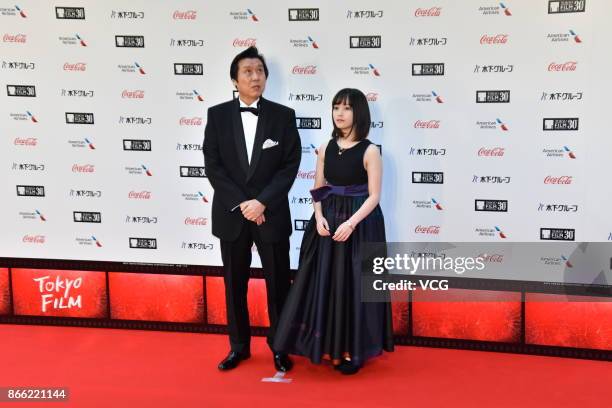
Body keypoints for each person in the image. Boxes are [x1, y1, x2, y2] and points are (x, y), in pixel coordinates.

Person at [273, 88, 394, 375]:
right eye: (336, 107)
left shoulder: (370, 150)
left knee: (354, 287)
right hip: (327, 223)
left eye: (347, 108)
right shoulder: (326, 147)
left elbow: (374, 196)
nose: (339, 113)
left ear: (359, 113)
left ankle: (354, 350)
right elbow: (319, 187)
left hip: (361, 225)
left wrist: (351, 223)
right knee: (326, 284)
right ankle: (330, 347)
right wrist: (318, 217)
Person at [203, 47, 301, 372]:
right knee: (234, 286)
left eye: (259, 71)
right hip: (232, 215)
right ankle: (239, 347)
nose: (255, 77)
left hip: (270, 213)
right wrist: (244, 204)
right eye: (248, 71)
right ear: (235, 79)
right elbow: (214, 166)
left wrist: (262, 202)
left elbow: (289, 165)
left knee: (278, 286)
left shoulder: (283, 116)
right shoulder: (217, 116)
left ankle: (280, 346)